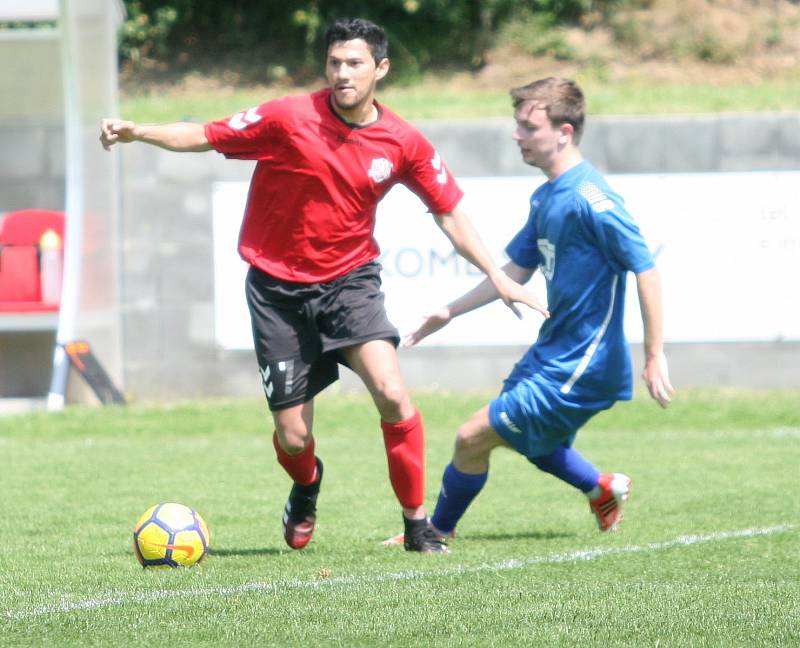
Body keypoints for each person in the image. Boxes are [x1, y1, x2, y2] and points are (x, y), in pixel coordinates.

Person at [99, 18, 546, 554]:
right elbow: (205, 134)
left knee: (392, 393)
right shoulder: (288, 117)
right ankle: (307, 485)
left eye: (354, 63)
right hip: (276, 290)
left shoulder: (402, 141)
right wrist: (139, 131)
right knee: (293, 437)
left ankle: (416, 524)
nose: (342, 73)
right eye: (334, 63)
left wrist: (496, 275)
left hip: (349, 283)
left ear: (380, 69)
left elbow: (448, 213)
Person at [403, 77, 674, 545]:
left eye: (528, 127)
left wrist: (653, 355)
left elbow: (645, 267)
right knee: (534, 442)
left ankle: (434, 532)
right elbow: (515, 270)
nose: (517, 135)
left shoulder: (594, 199)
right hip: (553, 351)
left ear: (564, 133)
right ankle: (601, 488)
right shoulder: (546, 196)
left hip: (582, 362)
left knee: (472, 436)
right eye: (517, 125)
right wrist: (449, 311)